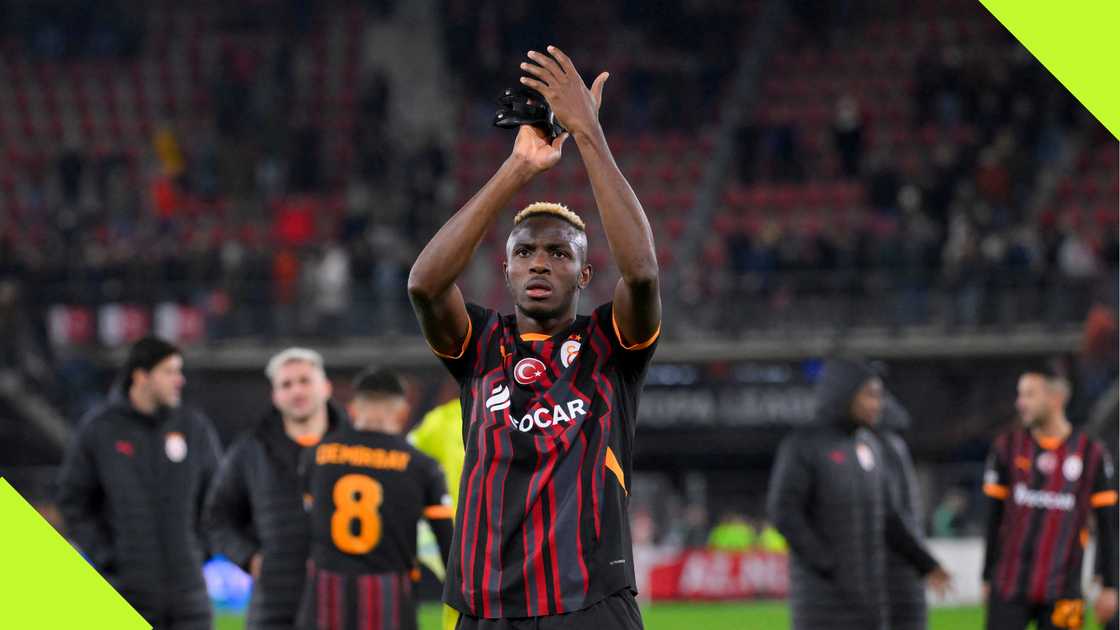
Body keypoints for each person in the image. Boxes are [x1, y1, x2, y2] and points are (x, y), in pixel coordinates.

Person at [407, 45, 659, 629]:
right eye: (524, 252)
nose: (540, 263)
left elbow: (643, 271)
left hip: (592, 603)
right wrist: (518, 167)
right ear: (507, 269)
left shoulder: (611, 346)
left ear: (584, 273)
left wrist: (588, 134)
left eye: (557, 253)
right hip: (486, 609)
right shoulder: (478, 347)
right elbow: (424, 283)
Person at [766, 358, 950, 630]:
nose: (877, 404)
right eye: (870, 395)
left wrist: (926, 564)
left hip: (869, 606)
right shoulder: (803, 445)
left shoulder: (869, 447)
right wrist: (829, 564)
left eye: (878, 396)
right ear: (843, 394)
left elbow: (888, 518)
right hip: (821, 607)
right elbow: (783, 512)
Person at [56, 336, 222, 629]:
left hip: (191, 599)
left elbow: (220, 498)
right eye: (170, 372)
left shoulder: (194, 428)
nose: (179, 380)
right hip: (127, 595)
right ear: (141, 375)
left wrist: (199, 551)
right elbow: (73, 502)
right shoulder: (99, 431)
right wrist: (107, 556)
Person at [297, 368, 454, 630]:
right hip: (388, 595)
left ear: (353, 409)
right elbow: (448, 544)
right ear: (403, 412)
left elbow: (303, 525)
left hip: (326, 595)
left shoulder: (317, 457)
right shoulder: (421, 466)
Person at [204, 347, 345, 629]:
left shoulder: (356, 447)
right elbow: (216, 517)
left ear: (326, 387)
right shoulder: (250, 450)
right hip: (274, 602)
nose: (297, 391)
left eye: (305, 381)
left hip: (341, 597)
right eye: (286, 384)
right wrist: (249, 558)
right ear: (275, 395)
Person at [981, 370, 1118, 630]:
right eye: (1020, 394)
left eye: (1030, 394)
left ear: (1056, 398)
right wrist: (986, 576)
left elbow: (1107, 524)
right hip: (1008, 588)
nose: (1020, 403)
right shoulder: (1007, 447)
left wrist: (1111, 585)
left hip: (1066, 591)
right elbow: (993, 517)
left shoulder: (1092, 453)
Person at [875, 394, 929, 630]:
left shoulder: (880, 448)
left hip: (892, 567)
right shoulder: (894, 446)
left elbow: (890, 512)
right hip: (904, 565)